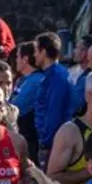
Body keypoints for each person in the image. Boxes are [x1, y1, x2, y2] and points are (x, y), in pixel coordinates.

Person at [33, 32, 73, 167]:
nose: (34, 55)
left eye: (36, 51)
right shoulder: (50, 75)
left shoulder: (57, 77)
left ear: (43, 52)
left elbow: (54, 110)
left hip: (52, 143)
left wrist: (47, 142)